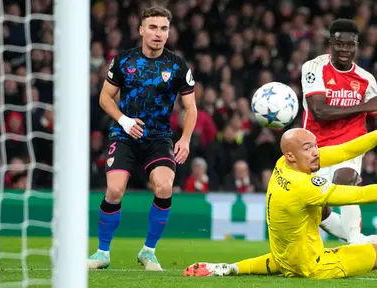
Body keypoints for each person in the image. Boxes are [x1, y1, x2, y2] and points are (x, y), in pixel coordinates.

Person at [184, 128, 377, 279]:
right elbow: (358, 195)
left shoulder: (282, 164)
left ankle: (230, 267)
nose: (316, 152)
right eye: (308, 148)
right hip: (314, 267)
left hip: (285, 260)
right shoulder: (303, 186)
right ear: (292, 155)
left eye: (315, 146)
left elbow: (345, 150)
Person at [87, 6, 197, 271]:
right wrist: (123, 120)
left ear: (169, 32)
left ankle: (148, 251)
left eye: (163, 28)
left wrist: (185, 139)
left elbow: (190, 108)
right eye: (153, 27)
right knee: (114, 190)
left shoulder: (177, 65)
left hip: (159, 138)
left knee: (165, 186)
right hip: (124, 135)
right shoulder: (123, 60)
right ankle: (102, 253)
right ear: (141, 30)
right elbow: (104, 98)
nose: (158, 34)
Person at [301, 18, 377, 244]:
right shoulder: (313, 68)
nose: (344, 50)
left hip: (349, 145)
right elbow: (319, 112)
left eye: (349, 45)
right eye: (339, 45)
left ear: (356, 46)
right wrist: (364, 106)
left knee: (345, 180)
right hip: (316, 148)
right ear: (330, 44)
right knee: (316, 208)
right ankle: (361, 241)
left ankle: (355, 241)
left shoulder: (367, 79)